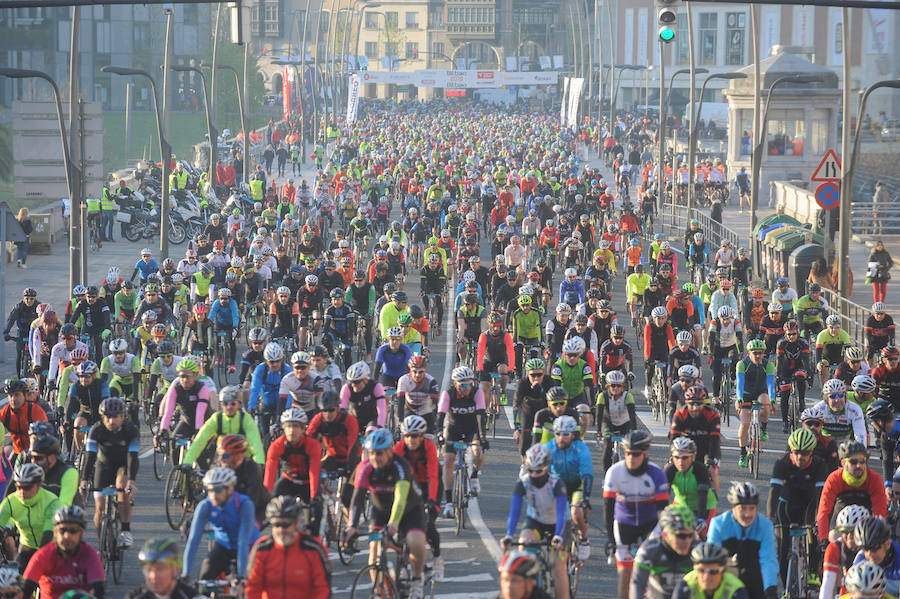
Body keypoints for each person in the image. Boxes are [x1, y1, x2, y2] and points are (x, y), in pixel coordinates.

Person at [347, 429, 428, 599]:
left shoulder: (400, 465)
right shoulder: (365, 467)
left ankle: (417, 580)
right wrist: (352, 526)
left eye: (379, 453)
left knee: (415, 542)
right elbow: (358, 496)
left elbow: (400, 499)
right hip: (381, 510)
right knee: (374, 552)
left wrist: (393, 524)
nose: (375, 458)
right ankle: (379, 592)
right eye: (371, 453)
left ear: (390, 451)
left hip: (409, 509)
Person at [603, 430, 669, 599]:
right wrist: (611, 540)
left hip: (650, 524)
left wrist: (656, 540)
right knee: (625, 573)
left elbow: (662, 511)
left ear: (645, 454)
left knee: (654, 570)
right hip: (624, 524)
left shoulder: (657, 474)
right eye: (627, 454)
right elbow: (609, 509)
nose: (631, 458)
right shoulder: (615, 472)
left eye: (636, 454)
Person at [501, 444, 570, 599]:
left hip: (558, 524)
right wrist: (508, 536)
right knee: (523, 545)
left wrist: (558, 536)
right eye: (530, 470)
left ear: (546, 467)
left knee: (558, 567)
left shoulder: (557, 484)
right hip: (536, 520)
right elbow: (514, 512)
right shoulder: (523, 483)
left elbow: (561, 514)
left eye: (537, 471)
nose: (533, 474)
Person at [767, 427, 827, 583]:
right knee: (782, 545)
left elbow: (822, 496)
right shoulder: (782, 463)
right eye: (797, 452)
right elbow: (774, 492)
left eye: (805, 453)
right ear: (791, 451)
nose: (801, 456)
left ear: (812, 452)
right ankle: (787, 585)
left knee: (812, 538)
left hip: (809, 505)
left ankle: (813, 572)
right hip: (786, 505)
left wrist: (819, 521)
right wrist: (770, 517)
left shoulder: (819, 465)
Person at [79, 397, 139, 548]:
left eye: (115, 417)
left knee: (122, 486)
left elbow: (133, 457)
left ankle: (126, 530)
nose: (111, 421)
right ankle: (103, 545)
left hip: (123, 464)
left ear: (123, 416)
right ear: (102, 417)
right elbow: (90, 456)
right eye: (108, 417)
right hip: (103, 465)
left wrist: (131, 481)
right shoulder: (96, 430)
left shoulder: (131, 430)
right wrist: (84, 480)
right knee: (100, 508)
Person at [245, 496, 331, 599]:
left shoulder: (313, 549)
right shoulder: (261, 549)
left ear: (297, 524)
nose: (281, 530)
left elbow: (323, 589)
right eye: (276, 524)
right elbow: (252, 588)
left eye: (285, 524)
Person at [183, 466, 260, 581]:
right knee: (205, 576)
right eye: (210, 490)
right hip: (224, 546)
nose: (213, 494)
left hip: (249, 547)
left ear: (230, 489)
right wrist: (185, 574)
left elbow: (243, 541)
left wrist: (242, 575)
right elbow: (193, 540)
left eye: (218, 490)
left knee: (252, 584)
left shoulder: (244, 504)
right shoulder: (205, 506)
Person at [707, 482, 778, 599]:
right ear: (733, 508)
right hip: (727, 580)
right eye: (742, 508)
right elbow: (712, 560)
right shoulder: (719, 524)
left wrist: (771, 590)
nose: (748, 514)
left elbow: (768, 560)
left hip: (755, 578)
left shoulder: (765, 525)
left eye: (752, 508)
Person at [23, 505, 104, 599]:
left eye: (73, 531)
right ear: (55, 531)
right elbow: (26, 589)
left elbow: (98, 590)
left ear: (81, 533)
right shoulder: (43, 555)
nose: (67, 536)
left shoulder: (90, 554)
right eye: (62, 530)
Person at [817, 440, 887, 544]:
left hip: (865, 525)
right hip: (839, 525)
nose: (859, 465)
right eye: (853, 462)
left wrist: (878, 537)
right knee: (831, 544)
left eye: (862, 461)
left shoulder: (874, 479)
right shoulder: (834, 479)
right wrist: (823, 539)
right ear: (843, 463)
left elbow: (880, 513)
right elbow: (824, 511)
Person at [0, 463, 60, 571]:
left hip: (51, 547)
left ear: (38, 486)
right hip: (27, 547)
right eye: (18, 487)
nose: (22, 491)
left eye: (27, 487)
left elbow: (48, 534)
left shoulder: (51, 501)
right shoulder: (10, 501)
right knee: (18, 584)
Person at [630, 504, 697, 599]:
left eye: (690, 535)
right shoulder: (649, 550)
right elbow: (637, 584)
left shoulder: (698, 550)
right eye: (681, 536)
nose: (686, 541)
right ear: (665, 535)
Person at [821, 505, 871, 599]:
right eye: (845, 531)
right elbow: (827, 585)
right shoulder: (834, 548)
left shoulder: (873, 549)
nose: (849, 536)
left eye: (854, 531)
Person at [671, 542, 748, 599]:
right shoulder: (686, 586)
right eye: (702, 570)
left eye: (713, 571)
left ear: (723, 572)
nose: (706, 576)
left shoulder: (736, 589)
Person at [125, 538, 195, 599]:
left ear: (175, 570)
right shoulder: (135, 596)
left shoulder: (191, 596)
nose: (153, 576)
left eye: (160, 569)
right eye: (149, 569)